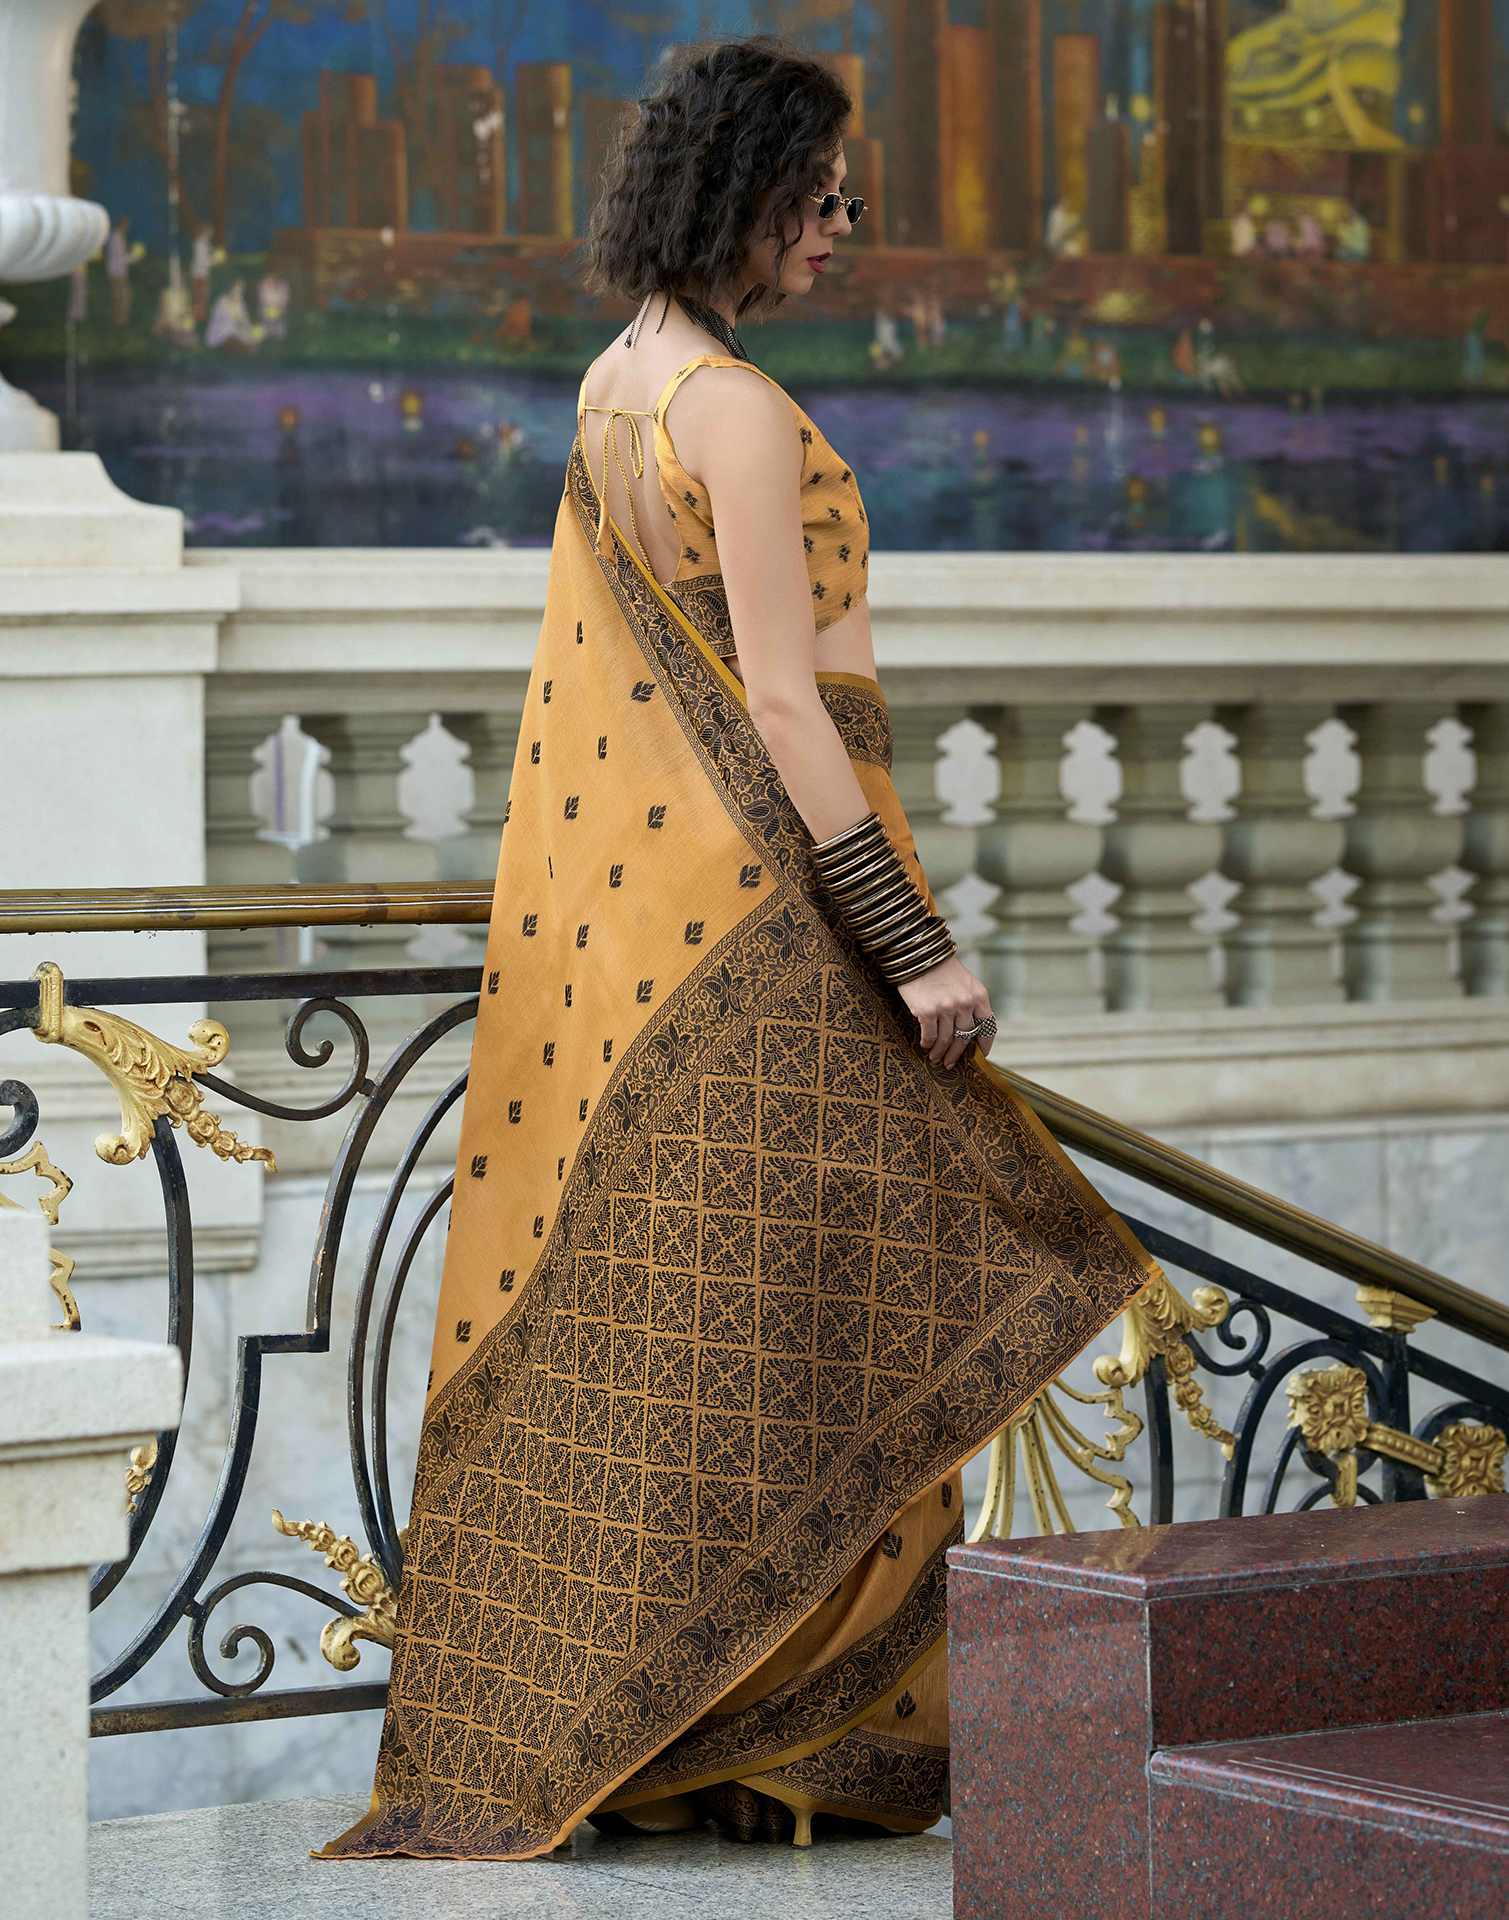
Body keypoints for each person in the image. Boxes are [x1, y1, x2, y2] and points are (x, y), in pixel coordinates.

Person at [316, 36, 1161, 1868]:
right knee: (835, 1334)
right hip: (789, 926)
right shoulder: (739, 413)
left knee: (717, 1345)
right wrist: (908, 943)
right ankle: (786, 1745)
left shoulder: (617, 381)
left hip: (676, 937)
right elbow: (778, 696)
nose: (841, 229)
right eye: (825, 197)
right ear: (749, 194)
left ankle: (669, 1750)